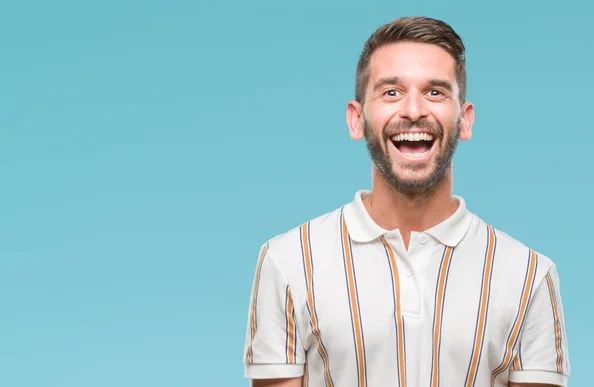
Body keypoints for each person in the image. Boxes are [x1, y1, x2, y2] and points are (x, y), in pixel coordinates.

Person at [242, 16, 570, 387]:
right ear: (356, 120)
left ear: (464, 120)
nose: (413, 110)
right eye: (391, 92)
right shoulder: (287, 262)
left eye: (435, 92)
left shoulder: (529, 276)